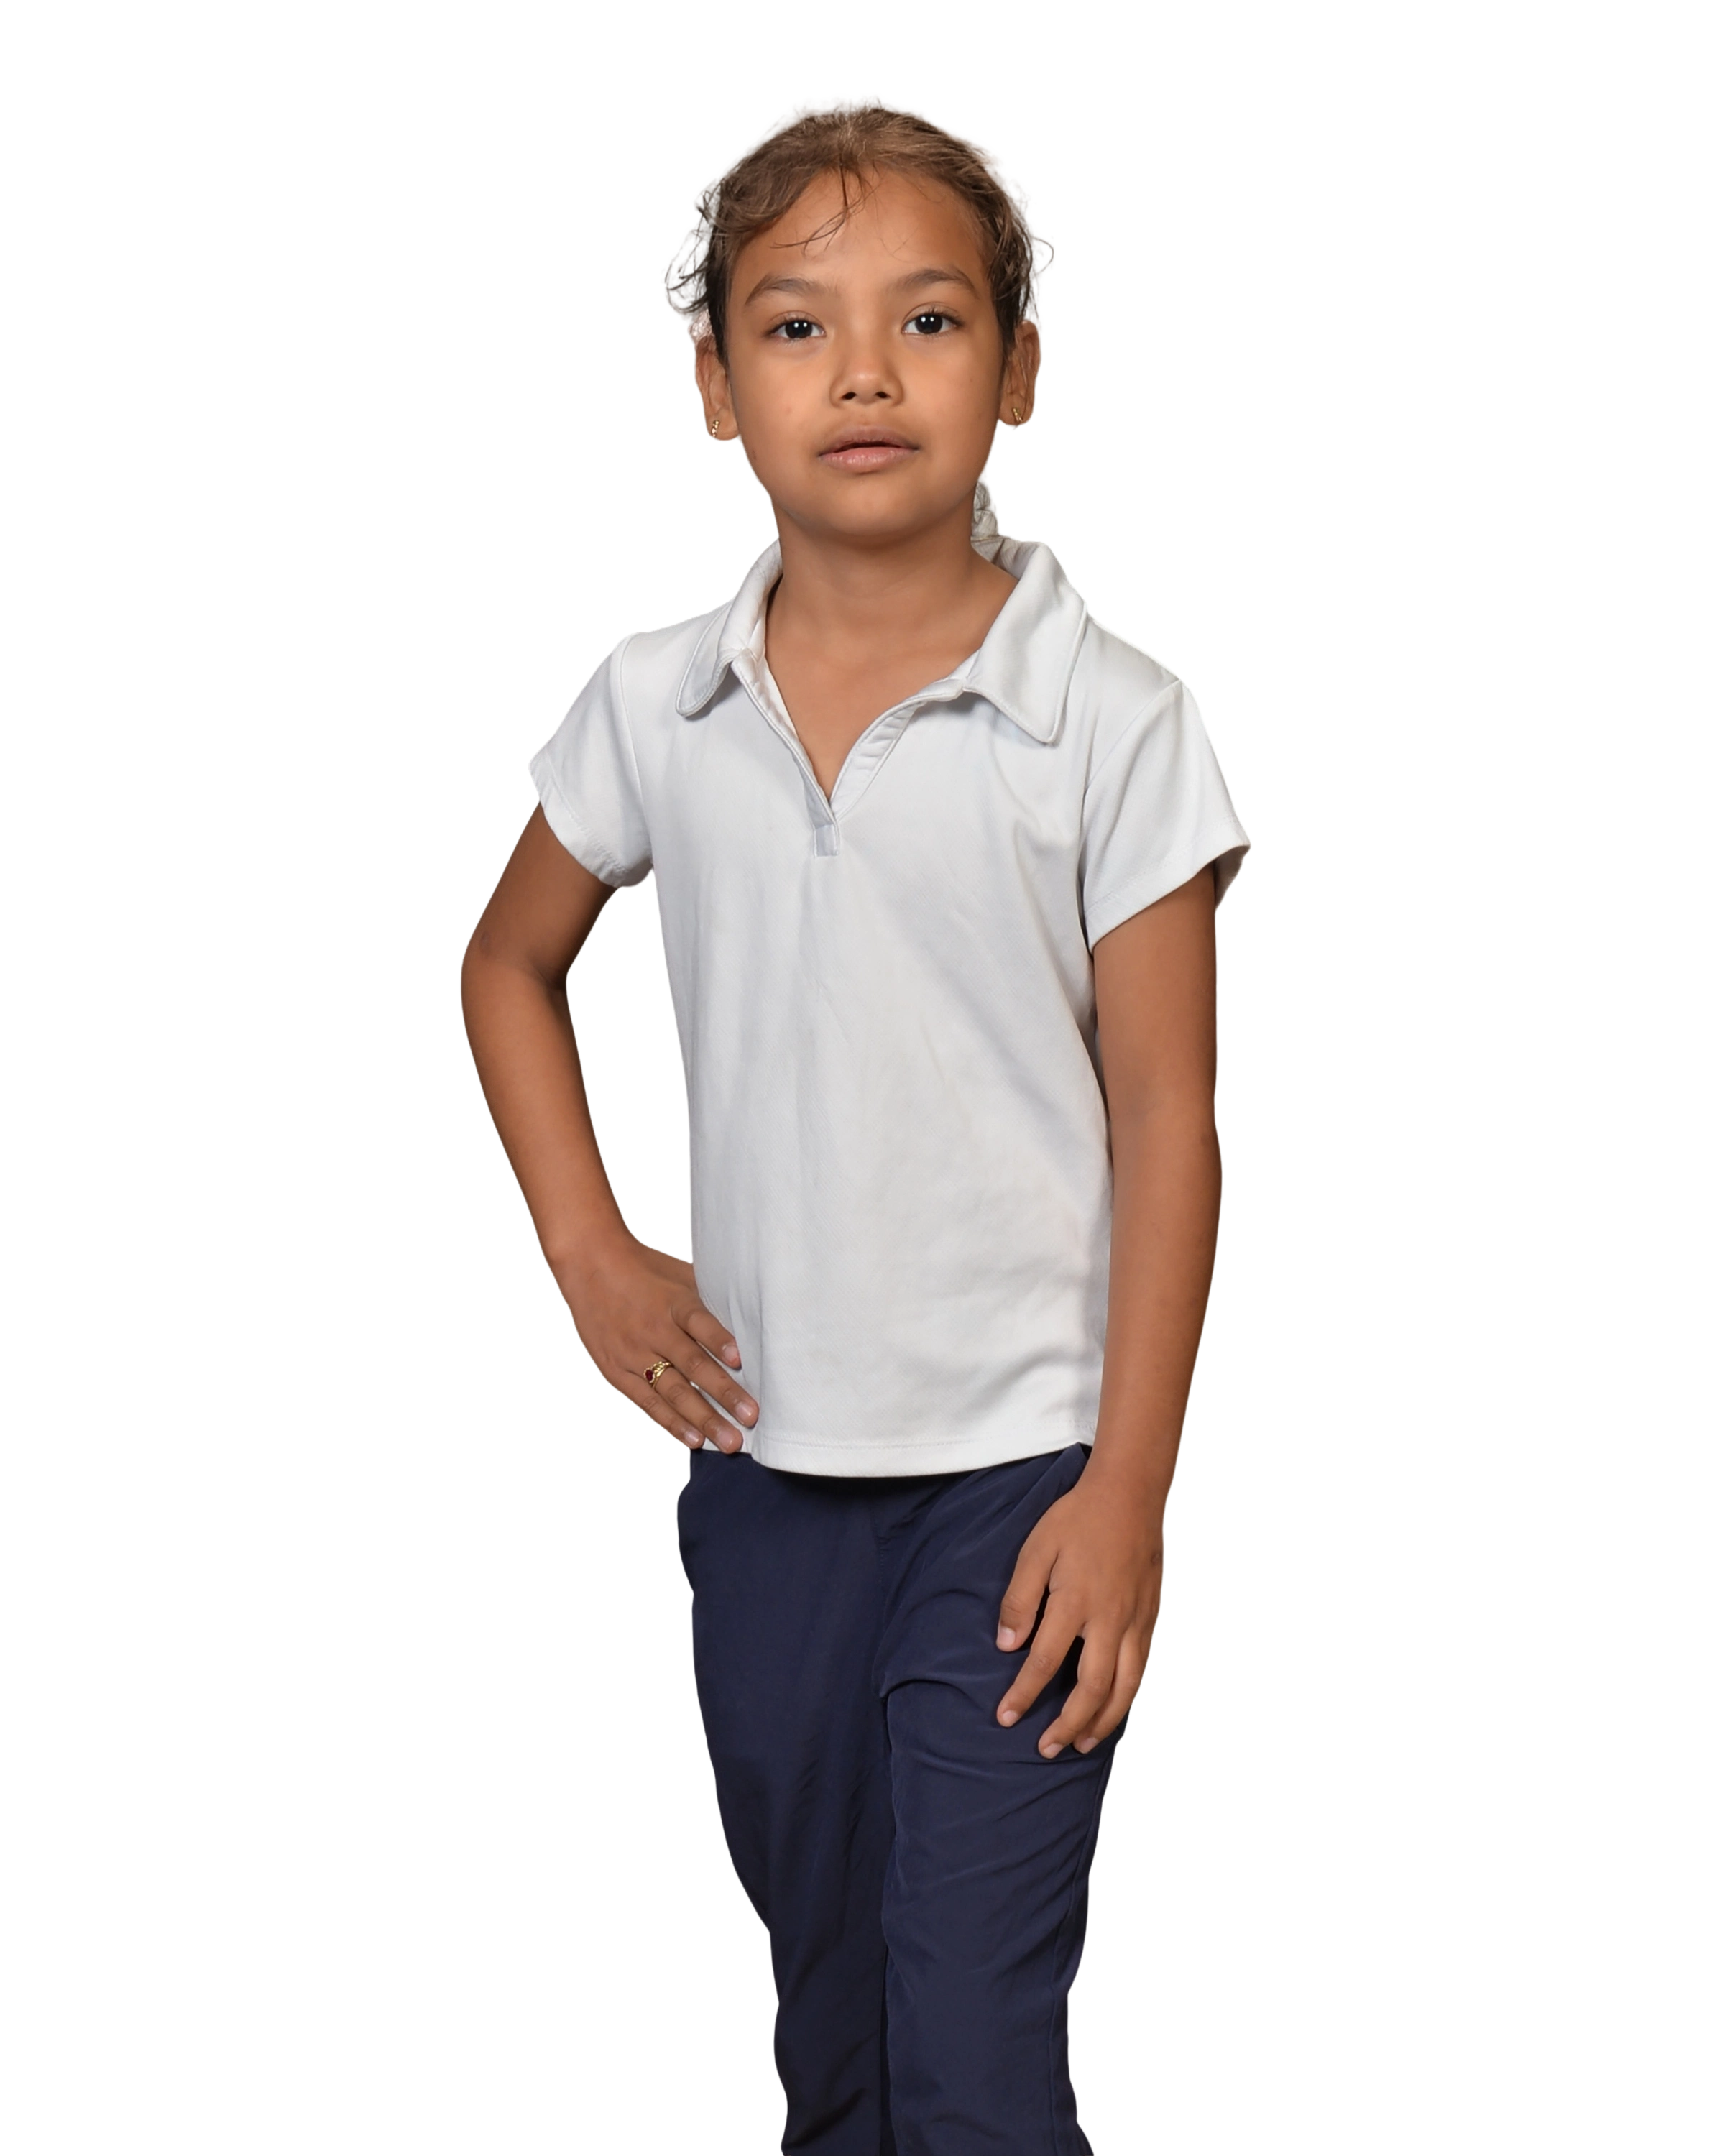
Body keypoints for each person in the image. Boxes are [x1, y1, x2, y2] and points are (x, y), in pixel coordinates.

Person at [459, 91, 1252, 2156]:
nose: (868, 372)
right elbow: (504, 964)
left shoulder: (1116, 721)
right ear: (720, 388)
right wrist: (589, 1249)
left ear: (1023, 368)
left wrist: (1132, 1491)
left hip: (1027, 1481)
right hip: (766, 1473)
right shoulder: (659, 701)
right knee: (835, 2041)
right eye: (798, 326)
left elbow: (1173, 1118)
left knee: (975, 2053)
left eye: (932, 318)